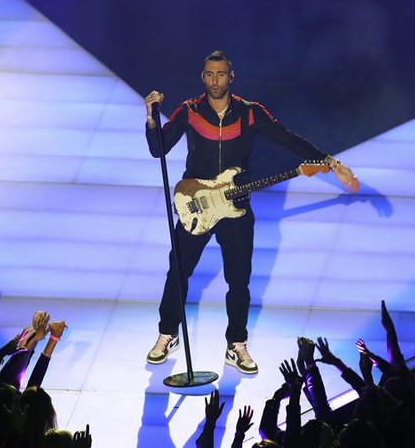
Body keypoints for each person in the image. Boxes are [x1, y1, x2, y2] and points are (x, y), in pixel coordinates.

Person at [143, 50, 360, 374]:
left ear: (232, 77)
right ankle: (167, 334)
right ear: (203, 78)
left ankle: (237, 344)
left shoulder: (250, 113)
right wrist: (151, 117)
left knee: (239, 280)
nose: (215, 80)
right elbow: (158, 148)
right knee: (178, 273)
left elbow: (287, 139)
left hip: (237, 207)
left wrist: (332, 162)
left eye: (221, 74)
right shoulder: (189, 111)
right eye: (210, 74)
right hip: (196, 205)